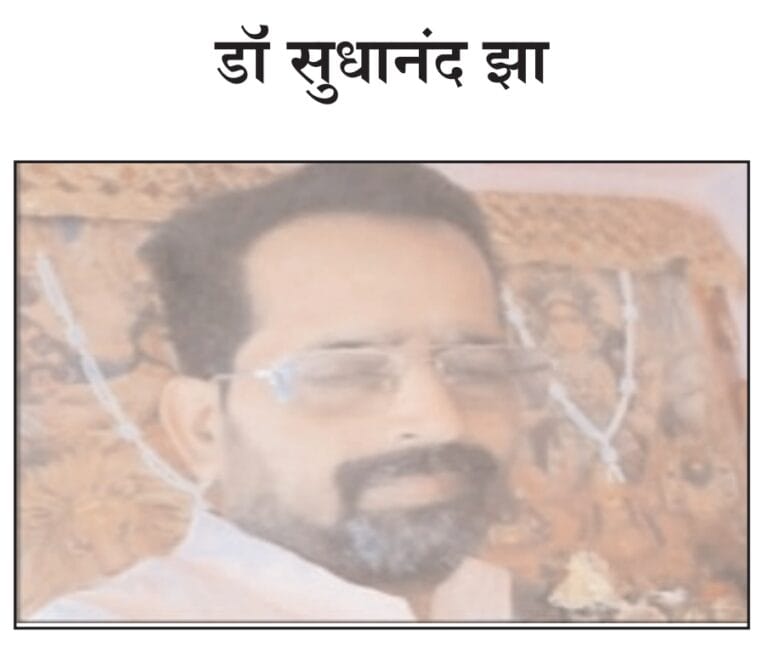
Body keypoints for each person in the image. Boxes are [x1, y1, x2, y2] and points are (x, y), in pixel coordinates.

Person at [32, 163, 535, 622]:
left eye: (477, 368)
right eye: (345, 374)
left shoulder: (536, 610)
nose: (442, 422)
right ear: (204, 430)